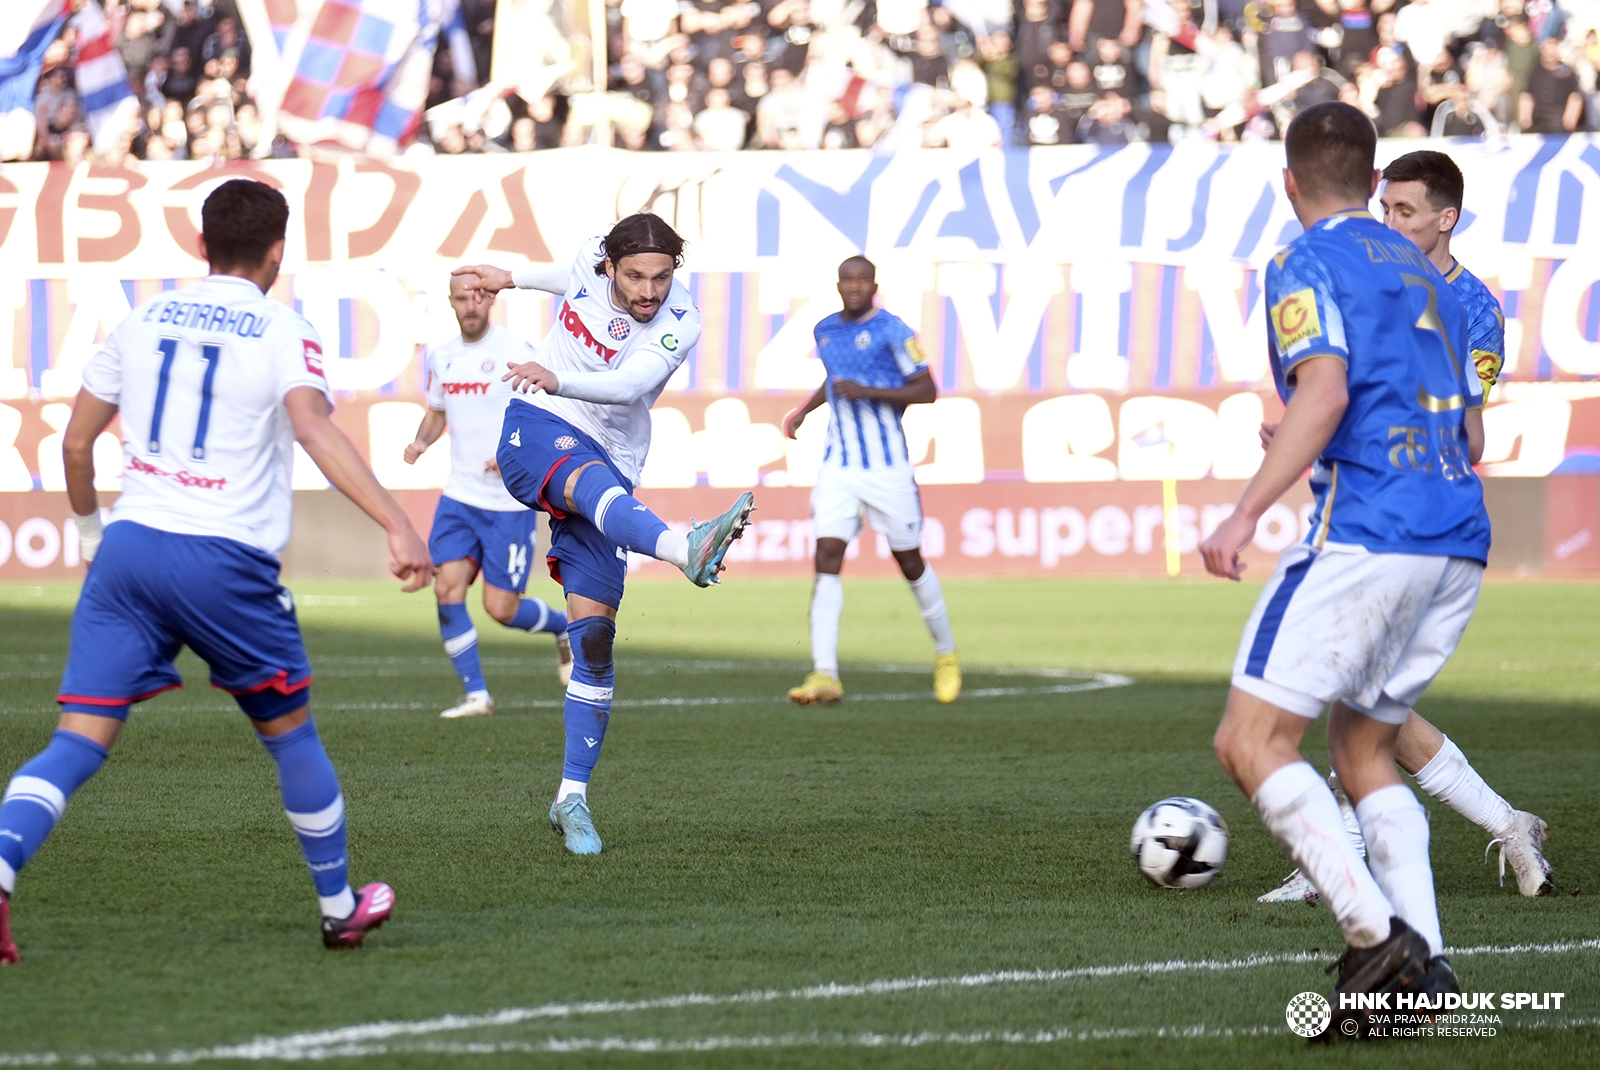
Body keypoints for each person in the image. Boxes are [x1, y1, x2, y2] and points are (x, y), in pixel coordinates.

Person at [0, 180, 432, 963]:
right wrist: (399, 523)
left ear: (201, 246)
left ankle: (0, 870)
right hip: (223, 557)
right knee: (290, 734)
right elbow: (312, 427)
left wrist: (93, 535)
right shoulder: (280, 327)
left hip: (129, 551)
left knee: (78, 739)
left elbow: (73, 445)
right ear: (277, 253)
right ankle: (339, 908)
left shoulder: (139, 320)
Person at [1201, 102, 1491, 1032]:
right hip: (1457, 537)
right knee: (1364, 750)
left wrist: (1246, 508)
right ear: (1375, 185)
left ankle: (1375, 940)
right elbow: (1469, 429)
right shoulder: (1425, 269)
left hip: (1371, 530)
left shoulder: (1301, 261)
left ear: (1289, 185)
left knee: (1249, 742)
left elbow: (1324, 387)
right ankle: (1428, 973)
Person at [1257, 149, 1553, 905]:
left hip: (1407, 518)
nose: (1386, 222)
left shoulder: (1471, 307)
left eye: (1404, 212)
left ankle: (1346, 869)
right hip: (1384, 511)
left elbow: (1472, 438)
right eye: (1384, 207)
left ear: (1445, 219)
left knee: (1338, 686)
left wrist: (1333, 434)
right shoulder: (1384, 278)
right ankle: (1505, 824)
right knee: (1360, 692)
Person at [452, 213, 754, 857]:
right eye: (636, 277)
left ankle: (571, 798)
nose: (650, 292)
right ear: (609, 267)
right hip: (538, 421)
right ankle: (682, 548)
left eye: (662, 278)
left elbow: (629, 387)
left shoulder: (682, 319)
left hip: (613, 452)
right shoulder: (589, 253)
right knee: (583, 477)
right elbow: (566, 276)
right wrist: (513, 278)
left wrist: (558, 372)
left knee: (592, 637)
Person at [782, 257, 960, 707]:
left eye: (863, 280)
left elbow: (927, 389)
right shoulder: (824, 329)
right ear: (838, 284)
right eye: (848, 279)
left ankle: (946, 656)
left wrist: (870, 391)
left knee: (909, 561)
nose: (855, 286)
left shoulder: (894, 331)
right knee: (826, 554)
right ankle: (825, 672)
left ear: (874, 285)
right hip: (838, 465)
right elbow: (833, 380)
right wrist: (806, 409)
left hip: (887, 467)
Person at [404, 276, 573, 720]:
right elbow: (438, 411)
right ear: (452, 303)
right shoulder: (441, 358)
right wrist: (421, 443)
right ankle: (477, 696)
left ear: (491, 299)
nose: (471, 306)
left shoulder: (517, 351)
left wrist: (516, 452)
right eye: (463, 298)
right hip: (460, 496)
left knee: (501, 609)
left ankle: (563, 627)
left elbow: (548, 410)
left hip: (508, 502)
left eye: (478, 296)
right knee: (447, 588)